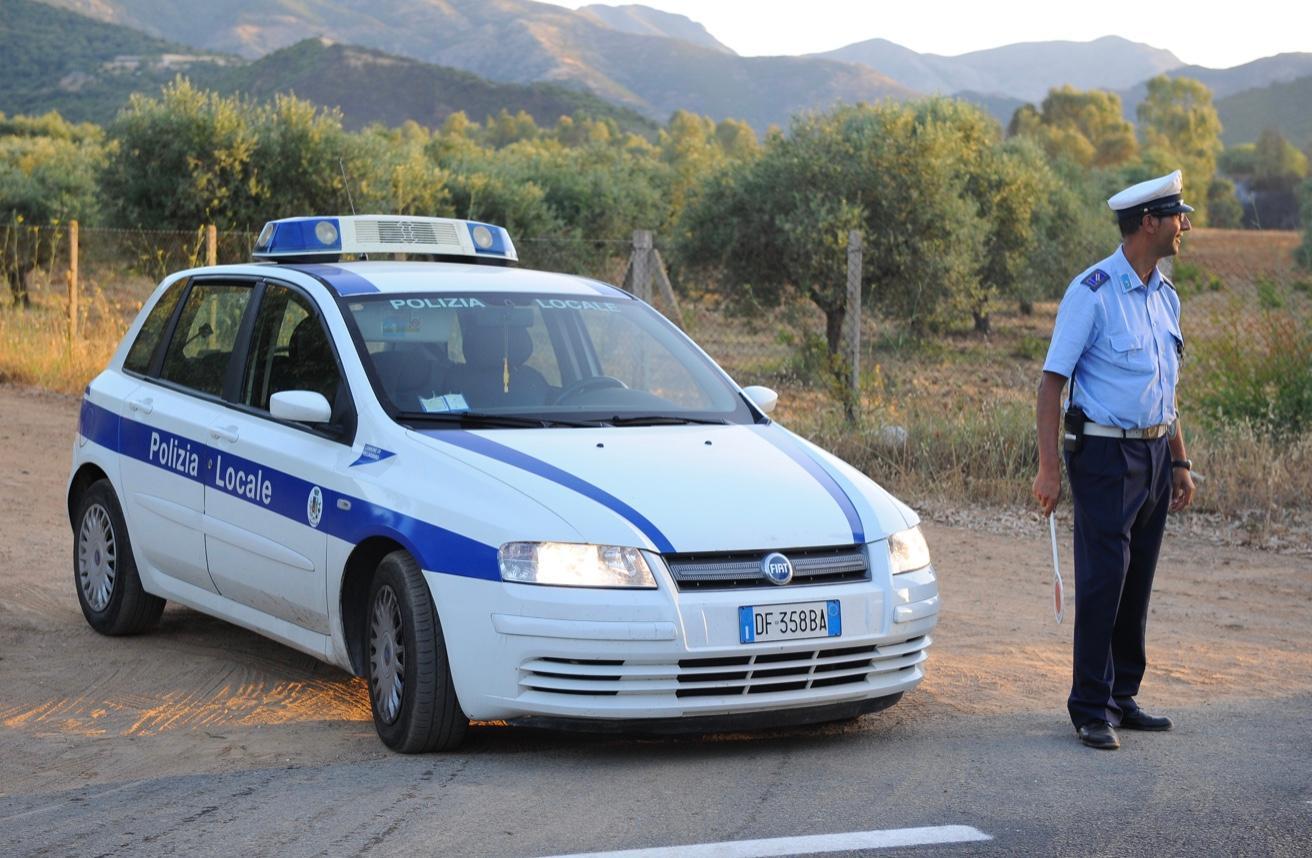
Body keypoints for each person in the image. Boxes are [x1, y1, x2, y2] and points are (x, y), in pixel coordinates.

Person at [1032, 170, 1197, 750]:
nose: (1186, 224)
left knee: (1138, 581)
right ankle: (1089, 707)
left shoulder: (1165, 295)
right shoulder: (1094, 291)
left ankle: (1122, 695)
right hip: (1104, 454)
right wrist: (1049, 468)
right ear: (1148, 222)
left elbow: (1164, 387)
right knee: (1104, 581)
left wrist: (1178, 459)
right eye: (1178, 215)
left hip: (1154, 452)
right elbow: (1052, 383)